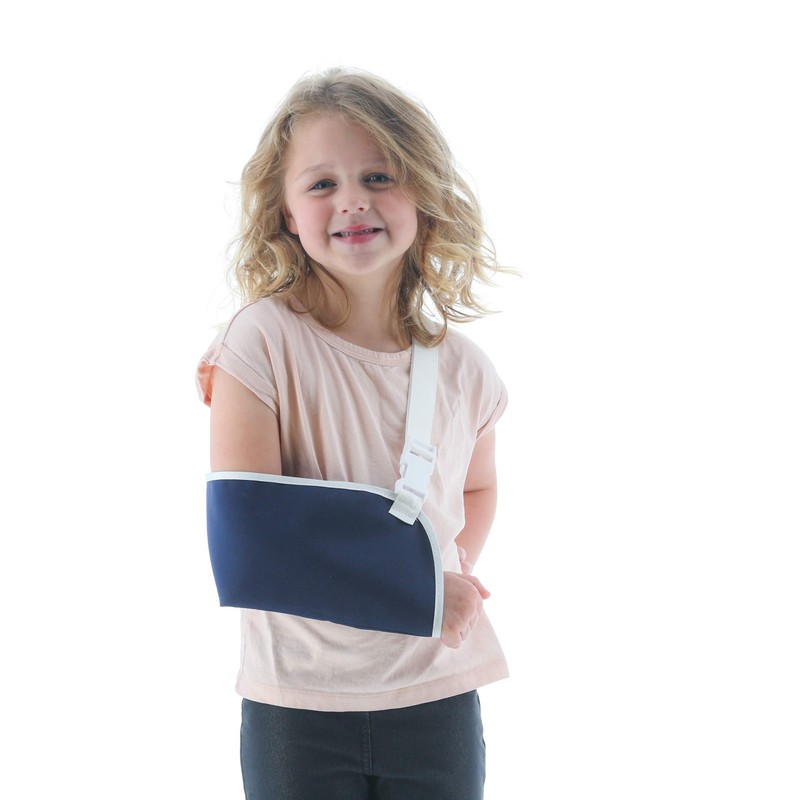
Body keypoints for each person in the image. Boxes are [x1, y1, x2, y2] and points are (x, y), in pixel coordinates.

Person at [197, 67, 509, 800]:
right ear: (284, 213)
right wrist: (415, 591)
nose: (353, 200)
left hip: (436, 692)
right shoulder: (259, 342)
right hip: (297, 701)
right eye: (322, 184)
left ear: (423, 195)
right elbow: (248, 546)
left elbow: (476, 487)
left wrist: (446, 574)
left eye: (378, 176)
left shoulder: (466, 370)